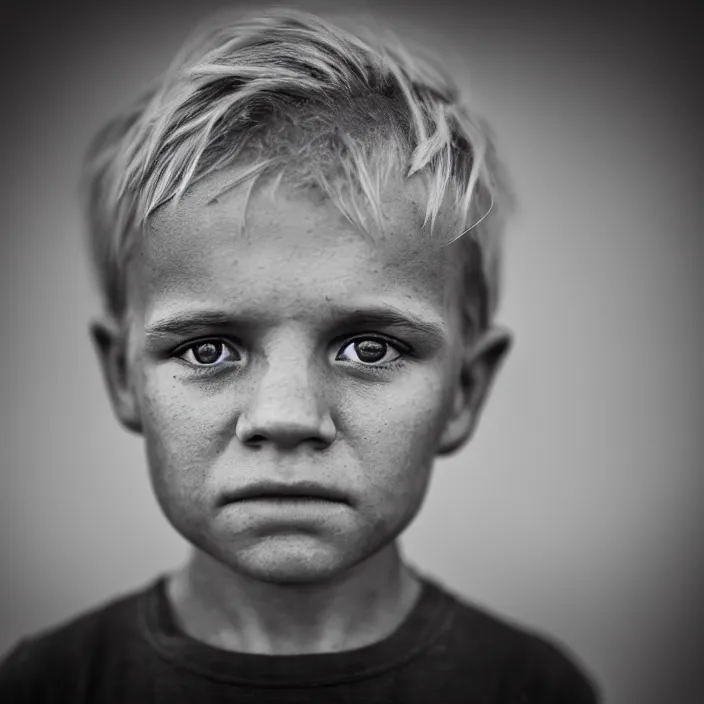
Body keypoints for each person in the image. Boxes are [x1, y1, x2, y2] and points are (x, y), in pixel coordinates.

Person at [0, 6, 599, 702]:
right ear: (122, 376)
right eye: (208, 349)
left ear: (465, 389)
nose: (286, 417)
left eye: (369, 347)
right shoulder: (49, 685)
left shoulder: (530, 687)